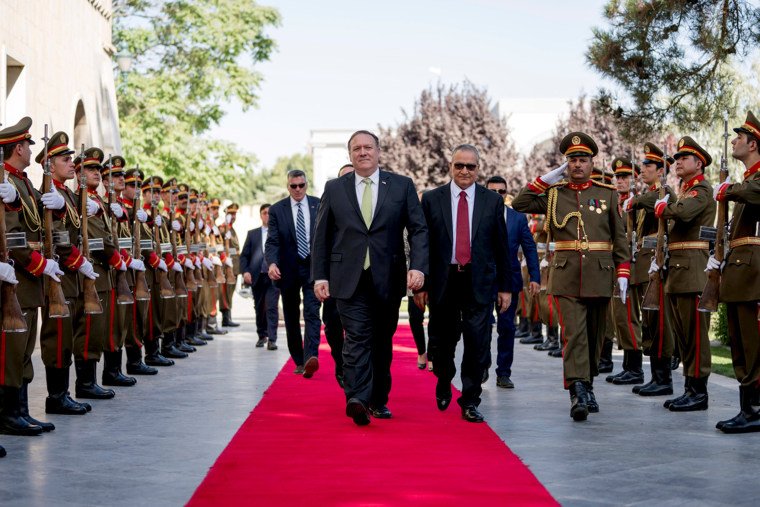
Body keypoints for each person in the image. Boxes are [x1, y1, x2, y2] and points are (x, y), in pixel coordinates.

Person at [312, 130, 428, 425]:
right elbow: (321, 235)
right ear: (349, 154)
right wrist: (320, 276)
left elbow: (418, 229)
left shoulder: (401, 186)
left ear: (378, 151)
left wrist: (418, 266)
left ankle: (378, 399)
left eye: (368, 147)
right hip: (347, 278)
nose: (362, 152)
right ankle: (357, 399)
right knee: (357, 337)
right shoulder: (335, 187)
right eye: (356, 148)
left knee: (381, 341)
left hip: (388, 277)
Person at [513, 132, 629, 422]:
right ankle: (577, 390)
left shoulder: (607, 194)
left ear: (592, 163)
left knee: (594, 335)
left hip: (600, 273)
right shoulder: (554, 194)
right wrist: (546, 179)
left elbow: (620, 237)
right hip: (566, 275)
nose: (577, 164)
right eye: (572, 160)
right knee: (574, 334)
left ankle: (588, 385)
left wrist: (623, 271)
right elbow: (519, 203)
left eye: (583, 160)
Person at [415, 145, 510, 423]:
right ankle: (444, 379)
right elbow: (423, 243)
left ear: (478, 169)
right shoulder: (432, 199)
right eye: (459, 165)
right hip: (444, 280)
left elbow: (501, 247)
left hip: (478, 281)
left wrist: (504, 286)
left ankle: (470, 399)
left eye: (470, 166)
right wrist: (420, 283)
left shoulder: (492, 201)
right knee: (442, 343)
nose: (465, 171)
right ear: (451, 166)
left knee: (477, 343)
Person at [0, 117, 65, 435]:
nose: (30, 150)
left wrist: (61, 205)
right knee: (12, 352)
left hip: (29, 279)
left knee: (24, 350)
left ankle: (20, 410)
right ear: (17, 148)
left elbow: (40, 221)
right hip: (19, 276)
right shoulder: (7, 183)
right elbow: (13, 239)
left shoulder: (22, 182)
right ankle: (9, 414)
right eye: (26, 145)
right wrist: (42, 265)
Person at [36, 131, 99, 415]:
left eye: (71, 158)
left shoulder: (67, 195)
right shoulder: (51, 195)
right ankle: (56, 397)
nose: (72, 163)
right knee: (57, 337)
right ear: (50, 165)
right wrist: (78, 261)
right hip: (59, 274)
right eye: (65, 159)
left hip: (71, 275)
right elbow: (57, 238)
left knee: (70, 333)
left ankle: (65, 393)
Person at [655, 136, 715, 412]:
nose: (677, 162)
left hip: (692, 271)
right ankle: (690, 388)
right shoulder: (686, 190)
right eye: (677, 158)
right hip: (679, 271)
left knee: (695, 336)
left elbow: (684, 213)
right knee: (683, 336)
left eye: (684, 159)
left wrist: (662, 208)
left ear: (698, 164)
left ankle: (699, 392)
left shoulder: (701, 190)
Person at [712, 111, 760, 432]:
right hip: (739, 271)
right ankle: (747, 408)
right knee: (742, 343)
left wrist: (727, 190)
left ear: (753, 143)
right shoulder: (746, 181)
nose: (733, 141)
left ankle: (754, 409)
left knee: (754, 341)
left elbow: (754, 193)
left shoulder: (753, 182)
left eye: (738, 137)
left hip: (754, 272)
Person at [624, 143, 677, 396]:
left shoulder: (663, 195)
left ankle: (664, 378)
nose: (642, 170)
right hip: (644, 264)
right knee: (649, 321)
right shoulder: (648, 196)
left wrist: (632, 200)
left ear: (661, 171)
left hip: (657, 266)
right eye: (643, 165)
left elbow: (644, 202)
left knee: (659, 323)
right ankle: (656, 376)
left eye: (648, 166)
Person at [485, 175, 540, 389]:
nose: (498, 195)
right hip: (484, 281)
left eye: (502, 191)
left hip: (510, 281)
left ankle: (503, 373)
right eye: (493, 191)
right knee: (483, 327)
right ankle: (483, 365)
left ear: (506, 194)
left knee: (507, 328)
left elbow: (530, 248)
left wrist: (535, 277)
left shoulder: (518, 218)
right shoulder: (478, 216)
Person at [266, 170, 322, 377]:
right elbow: (272, 240)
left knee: (312, 312)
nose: (298, 189)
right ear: (288, 186)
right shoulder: (277, 210)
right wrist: (272, 263)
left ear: (306, 184)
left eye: (301, 185)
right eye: (293, 186)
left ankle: (310, 357)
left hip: (312, 268)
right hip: (287, 270)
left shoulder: (319, 204)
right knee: (291, 316)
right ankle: (298, 360)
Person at [606, 157, 644, 385]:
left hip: (629, 264)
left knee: (629, 316)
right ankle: (627, 365)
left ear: (634, 179)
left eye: (624, 176)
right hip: (613, 263)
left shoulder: (637, 204)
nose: (619, 180)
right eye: (617, 177)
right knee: (619, 317)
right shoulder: (617, 204)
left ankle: (636, 368)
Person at [320, 163, 356, 387]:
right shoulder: (331, 201)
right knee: (333, 325)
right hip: (336, 278)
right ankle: (340, 363)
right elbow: (320, 242)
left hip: (363, 276)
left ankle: (356, 371)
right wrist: (320, 278)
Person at [240, 203, 281, 350]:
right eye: (264, 213)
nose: (267, 215)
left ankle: (272, 339)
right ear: (260, 215)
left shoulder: (279, 232)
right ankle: (261, 335)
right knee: (259, 307)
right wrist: (245, 271)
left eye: (270, 213)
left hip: (273, 277)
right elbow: (244, 255)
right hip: (257, 275)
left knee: (271, 307)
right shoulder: (253, 234)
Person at [219, 203, 240, 327]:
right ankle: (225, 317)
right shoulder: (224, 228)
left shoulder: (232, 228)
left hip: (235, 265)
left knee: (230, 292)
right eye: (231, 214)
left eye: (234, 214)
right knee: (226, 292)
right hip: (228, 265)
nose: (233, 216)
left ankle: (229, 315)